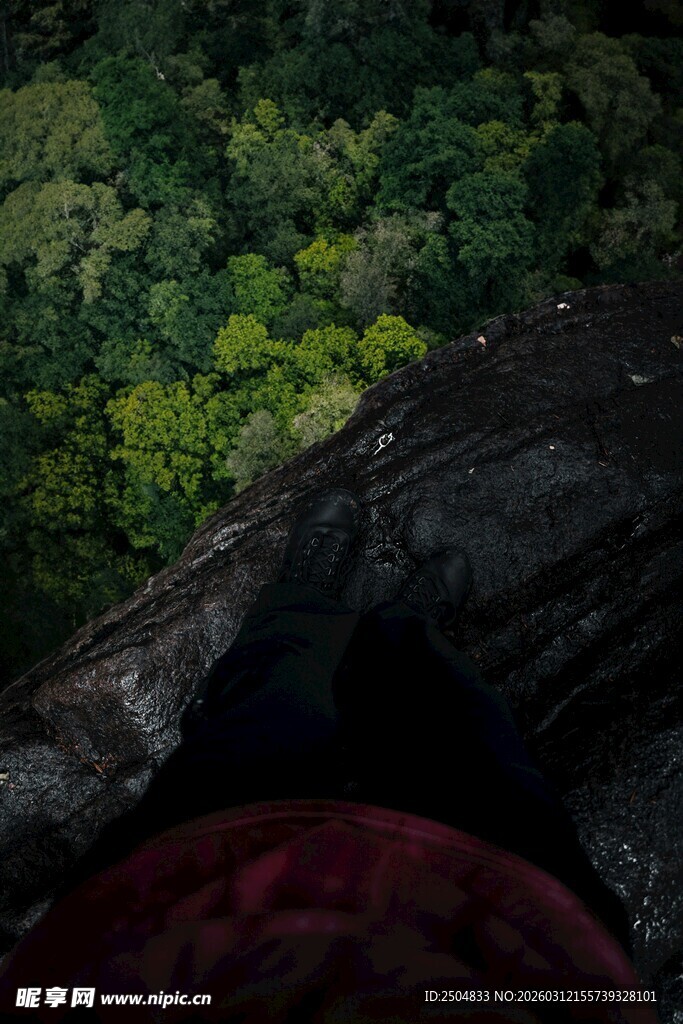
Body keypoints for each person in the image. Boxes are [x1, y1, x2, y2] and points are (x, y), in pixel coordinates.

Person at [0, 489, 656, 1022]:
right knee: (467, 739)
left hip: (181, 923)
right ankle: (398, 631)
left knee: (269, 710)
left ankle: (308, 606)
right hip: (507, 940)